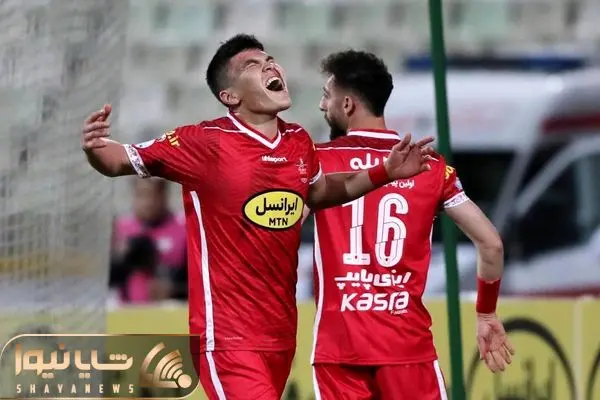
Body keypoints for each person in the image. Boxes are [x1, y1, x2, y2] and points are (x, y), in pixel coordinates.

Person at [80, 34, 434, 400]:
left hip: (279, 337)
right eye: (253, 65)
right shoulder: (204, 142)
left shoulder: (298, 141)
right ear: (230, 96)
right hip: (227, 339)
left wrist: (384, 172)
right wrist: (94, 146)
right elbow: (119, 160)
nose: (269, 66)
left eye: (270, 60)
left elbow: (321, 192)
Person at [308, 50, 515, 399]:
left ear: (346, 104)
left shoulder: (316, 163)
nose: (321, 105)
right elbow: (491, 244)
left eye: (326, 96)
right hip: (406, 348)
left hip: (338, 350)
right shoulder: (429, 167)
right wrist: (485, 314)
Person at [111, 177, 187, 300]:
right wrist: (120, 257)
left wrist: (174, 290)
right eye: (141, 195)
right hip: (128, 309)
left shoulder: (183, 228)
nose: (147, 203)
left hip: (173, 308)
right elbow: (109, 279)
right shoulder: (121, 229)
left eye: (153, 195)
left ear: (164, 195)